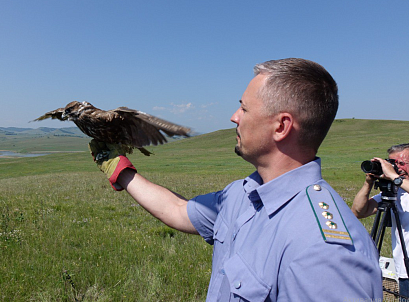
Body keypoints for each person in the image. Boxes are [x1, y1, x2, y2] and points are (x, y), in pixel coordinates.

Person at [90, 58, 383, 301]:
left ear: (281, 126)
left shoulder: (325, 251)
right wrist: (120, 170)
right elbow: (179, 211)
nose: (234, 117)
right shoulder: (242, 194)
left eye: (243, 108)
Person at [352, 143, 409, 300]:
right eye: (392, 164)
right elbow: (358, 211)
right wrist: (368, 182)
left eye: (402, 163)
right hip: (406, 273)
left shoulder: (402, 184)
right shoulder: (398, 191)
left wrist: (396, 178)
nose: (397, 168)